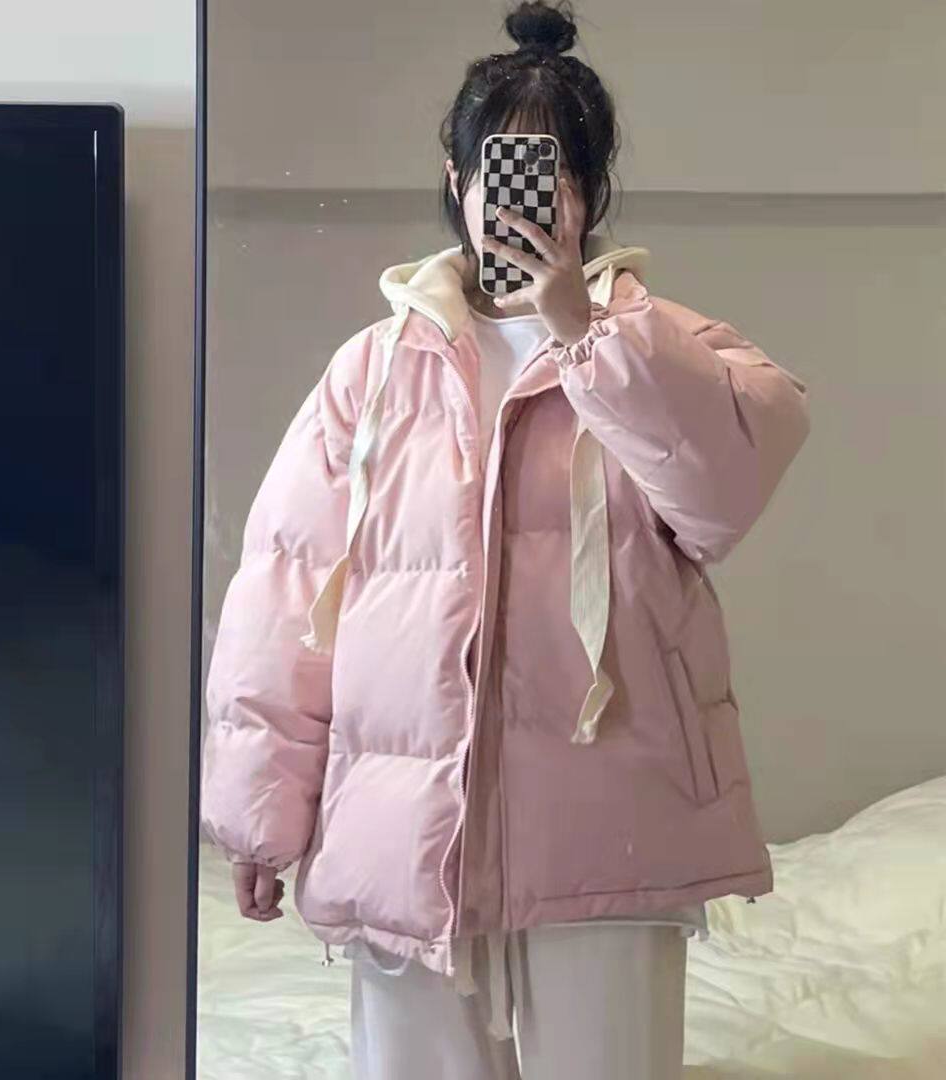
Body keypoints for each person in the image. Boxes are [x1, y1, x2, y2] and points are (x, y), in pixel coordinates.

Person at [200, 1, 811, 1076]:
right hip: (404, 829)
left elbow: (721, 497)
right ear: (458, 174)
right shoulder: (372, 371)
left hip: (611, 820)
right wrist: (262, 813)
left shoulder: (666, 348)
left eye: (554, 168)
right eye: (501, 164)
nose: (523, 192)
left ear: (590, 187)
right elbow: (283, 589)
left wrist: (588, 333)